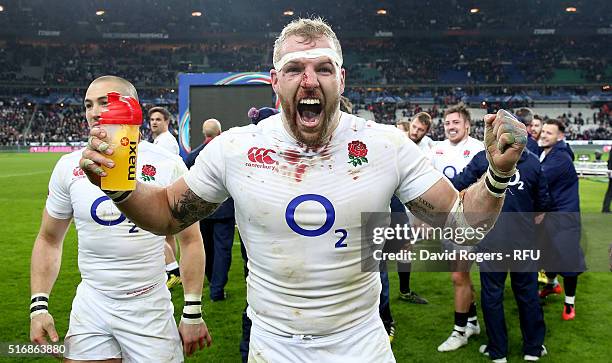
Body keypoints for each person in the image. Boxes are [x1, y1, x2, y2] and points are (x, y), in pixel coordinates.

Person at [80, 18, 527, 362]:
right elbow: (166, 215)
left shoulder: (385, 144)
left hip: (361, 340)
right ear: (276, 83)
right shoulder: (237, 148)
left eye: (322, 69)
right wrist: (120, 189)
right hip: (273, 343)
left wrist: (498, 174)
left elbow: (463, 227)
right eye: (294, 69)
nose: (309, 80)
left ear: (342, 80)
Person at [30, 76, 211, 361]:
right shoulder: (68, 167)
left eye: (105, 101)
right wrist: (39, 306)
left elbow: (190, 240)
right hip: (92, 303)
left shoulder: (166, 163)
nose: (94, 111)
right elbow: (49, 239)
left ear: (132, 107)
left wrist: (191, 311)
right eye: (88, 104)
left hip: (149, 305)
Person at [453, 149, 550, 362]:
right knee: (527, 293)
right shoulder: (533, 162)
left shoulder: (482, 158)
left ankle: (498, 351)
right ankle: (533, 348)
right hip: (523, 240)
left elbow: (457, 184)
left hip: (492, 239)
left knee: (493, 294)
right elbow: (542, 205)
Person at [431, 103, 485, 352]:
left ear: (467, 125)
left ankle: (459, 331)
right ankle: (472, 321)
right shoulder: (436, 149)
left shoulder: (478, 149)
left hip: (469, 221)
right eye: (447, 123)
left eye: (455, 122)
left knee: (458, 276)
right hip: (446, 222)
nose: (450, 127)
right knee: (460, 276)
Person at [537, 119, 585, 320]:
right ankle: (551, 285)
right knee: (546, 254)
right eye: (543, 131)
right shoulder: (546, 153)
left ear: (560, 137)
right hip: (550, 214)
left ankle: (569, 304)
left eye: (550, 132)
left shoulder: (560, 158)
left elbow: (538, 180)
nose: (544, 134)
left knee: (568, 261)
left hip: (564, 217)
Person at [186, 119, 236, 301]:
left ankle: (212, 281)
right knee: (222, 250)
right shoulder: (229, 154)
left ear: (203, 132)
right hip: (224, 210)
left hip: (202, 210)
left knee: (206, 248)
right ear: (220, 132)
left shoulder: (193, 155)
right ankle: (217, 288)